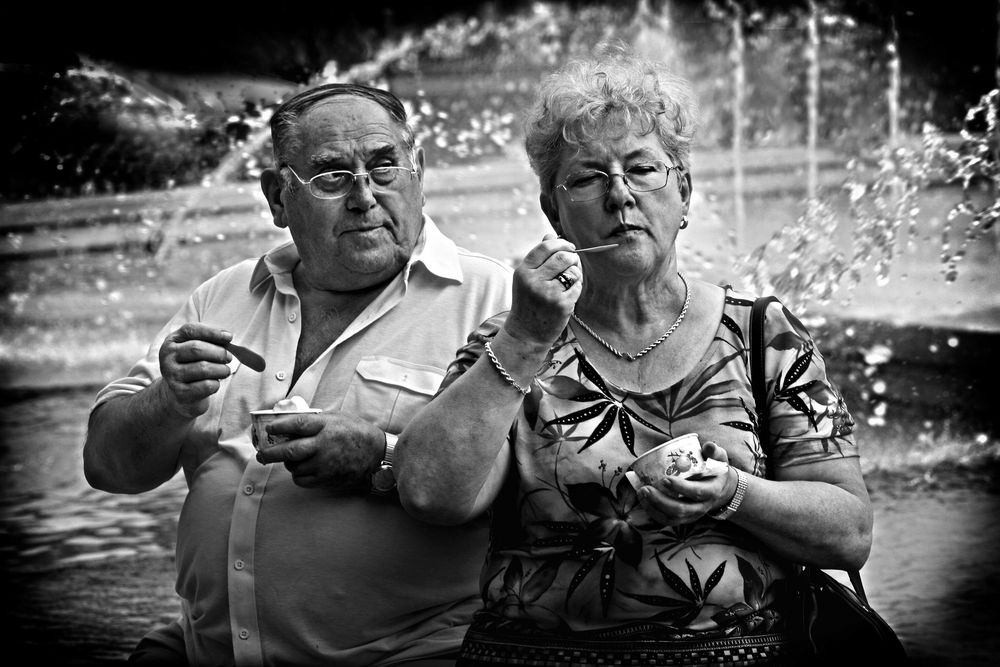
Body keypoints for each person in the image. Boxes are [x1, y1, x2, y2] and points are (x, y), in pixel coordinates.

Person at [394, 50, 874, 665]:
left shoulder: (764, 332)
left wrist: (734, 492)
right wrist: (526, 338)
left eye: (643, 169)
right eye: (588, 177)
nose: (620, 196)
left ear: (684, 194)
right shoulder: (513, 338)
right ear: (554, 210)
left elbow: (849, 533)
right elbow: (434, 496)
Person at [82, 82, 513, 666]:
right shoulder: (224, 295)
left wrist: (381, 459)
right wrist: (170, 400)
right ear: (278, 197)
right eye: (332, 175)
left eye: (384, 166)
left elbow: (548, 496)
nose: (365, 195)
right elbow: (108, 467)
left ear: (420, 171)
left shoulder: (496, 303)